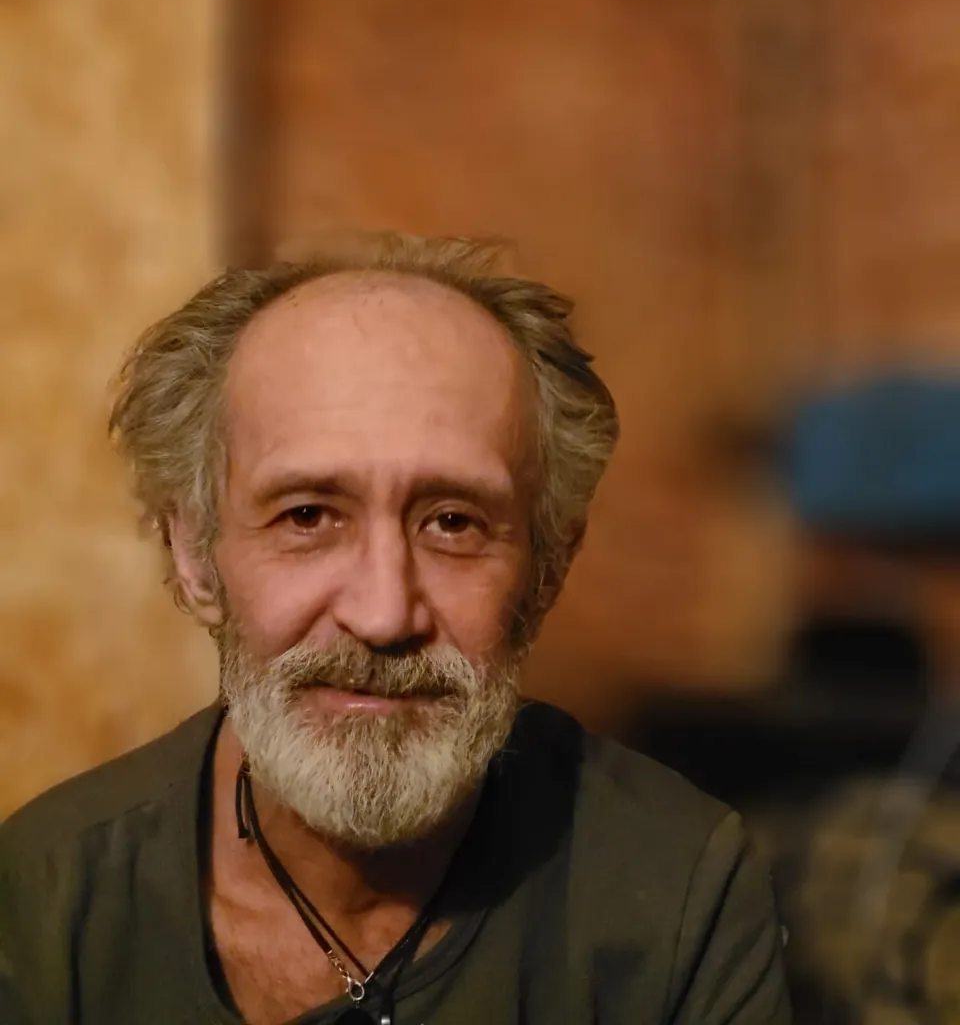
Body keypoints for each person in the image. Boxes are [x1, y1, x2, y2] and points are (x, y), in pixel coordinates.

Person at [0, 232, 790, 1024]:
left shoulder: (682, 891)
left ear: (547, 568)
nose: (384, 615)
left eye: (452, 522)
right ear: (194, 555)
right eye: (307, 515)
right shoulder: (48, 898)